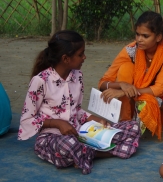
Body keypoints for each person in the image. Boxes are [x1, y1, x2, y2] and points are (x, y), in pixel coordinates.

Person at [17, 30, 140, 174]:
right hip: (52, 137)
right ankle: (100, 152)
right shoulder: (40, 81)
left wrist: (93, 118)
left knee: (133, 128)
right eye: (80, 54)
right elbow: (27, 120)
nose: (84, 57)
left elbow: (77, 110)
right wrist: (57, 123)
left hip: (79, 132)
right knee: (67, 146)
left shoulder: (78, 76)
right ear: (66, 58)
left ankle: (84, 154)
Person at [98, 11, 163, 140]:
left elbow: (160, 89)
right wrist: (121, 85)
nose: (139, 39)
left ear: (158, 37)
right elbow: (103, 82)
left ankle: (136, 125)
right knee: (126, 68)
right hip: (133, 93)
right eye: (137, 34)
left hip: (157, 95)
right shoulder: (130, 50)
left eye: (145, 36)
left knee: (146, 103)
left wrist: (123, 93)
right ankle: (125, 121)